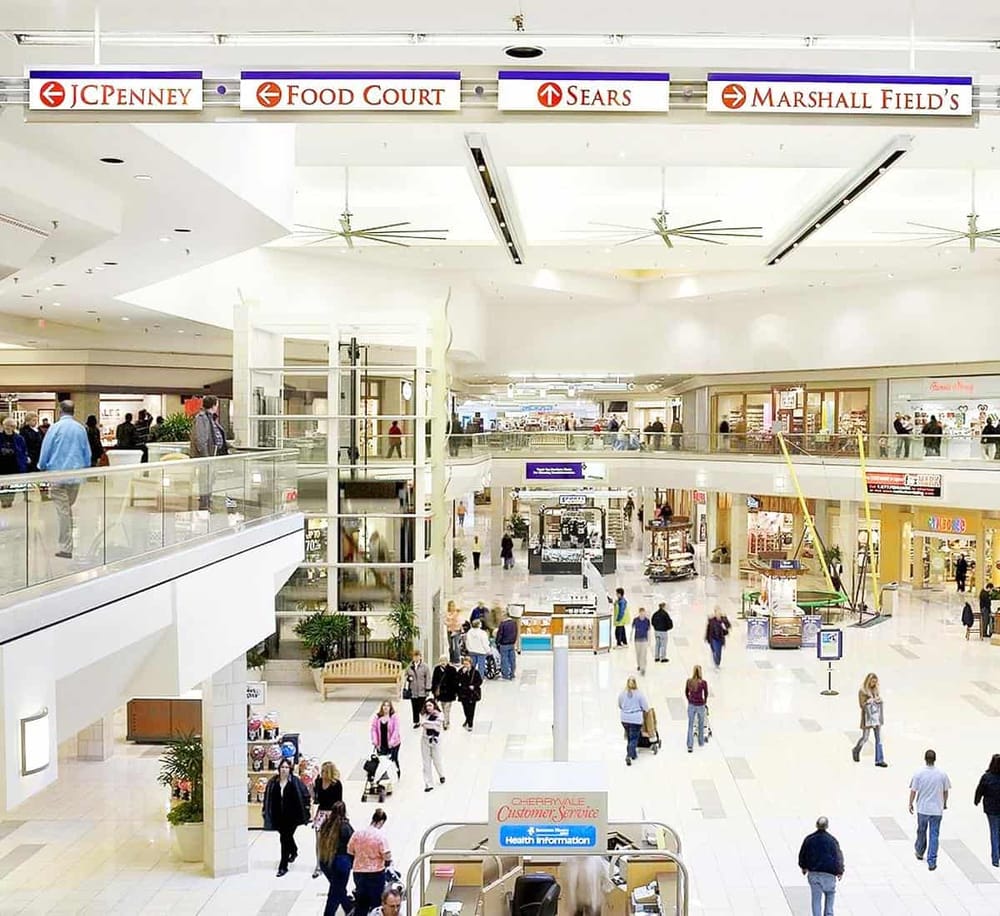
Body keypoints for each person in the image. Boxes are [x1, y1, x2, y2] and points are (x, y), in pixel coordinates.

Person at [38, 400, 91, 559]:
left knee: (63, 512)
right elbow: (86, 452)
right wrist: (85, 469)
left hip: (58, 475)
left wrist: (41, 466)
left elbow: (46, 449)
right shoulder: (80, 428)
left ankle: (66, 547)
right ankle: (67, 544)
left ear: (60, 410)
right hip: (75, 476)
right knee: (67, 509)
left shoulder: (55, 428)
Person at [262, 757, 312, 877]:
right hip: (278, 816)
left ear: (290, 769)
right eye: (282, 767)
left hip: (292, 817)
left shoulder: (295, 781)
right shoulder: (273, 783)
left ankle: (283, 866)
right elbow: (267, 798)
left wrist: (305, 809)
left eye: (286, 767)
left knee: (284, 839)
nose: (284, 770)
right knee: (286, 837)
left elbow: (305, 795)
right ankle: (294, 850)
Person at [909, 748, 951, 871]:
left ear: (925, 759)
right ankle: (932, 860)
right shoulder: (942, 774)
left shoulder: (919, 773)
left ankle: (920, 851)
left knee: (921, 831)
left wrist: (910, 803)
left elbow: (913, 790)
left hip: (922, 808)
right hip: (936, 809)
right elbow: (945, 791)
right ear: (935, 759)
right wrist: (944, 803)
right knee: (934, 835)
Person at [347, 808, 391, 916]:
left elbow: (349, 850)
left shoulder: (358, 833)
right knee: (377, 904)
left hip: (359, 872)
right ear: (381, 822)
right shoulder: (380, 836)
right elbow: (387, 855)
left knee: (361, 903)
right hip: (376, 873)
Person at [797, 816, 845, 916]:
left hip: (814, 875)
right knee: (830, 894)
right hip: (829, 876)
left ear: (816, 825)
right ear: (827, 826)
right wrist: (840, 871)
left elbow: (803, 854)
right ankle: (829, 913)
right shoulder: (832, 841)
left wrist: (804, 867)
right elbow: (838, 856)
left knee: (816, 900)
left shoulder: (809, 839)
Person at [190, 395, 228, 510]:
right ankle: (204, 506)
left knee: (210, 481)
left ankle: (207, 504)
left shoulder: (211, 418)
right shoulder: (202, 418)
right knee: (205, 482)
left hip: (213, 455)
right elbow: (200, 439)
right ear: (213, 405)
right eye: (216, 404)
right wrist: (206, 457)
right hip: (206, 457)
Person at [317, 800, 354, 915]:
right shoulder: (346, 827)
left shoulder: (326, 824)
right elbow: (354, 844)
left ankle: (348, 907)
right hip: (341, 863)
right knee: (335, 892)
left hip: (325, 861)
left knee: (337, 888)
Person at [311, 761, 343, 878]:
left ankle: (330, 862)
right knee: (319, 840)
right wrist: (311, 790)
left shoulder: (336, 784)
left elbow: (339, 801)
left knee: (331, 840)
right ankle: (318, 864)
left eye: (324, 771)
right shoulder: (318, 782)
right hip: (321, 812)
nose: (322, 773)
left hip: (332, 814)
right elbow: (317, 799)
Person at [851, 672, 887, 767]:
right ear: (868, 681)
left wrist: (878, 700)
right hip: (867, 718)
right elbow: (861, 705)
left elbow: (878, 700)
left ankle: (879, 760)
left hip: (876, 717)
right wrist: (868, 701)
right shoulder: (862, 691)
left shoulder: (875, 690)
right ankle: (856, 749)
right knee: (865, 738)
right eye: (872, 682)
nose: (873, 684)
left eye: (875, 682)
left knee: (879, 739)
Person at [974, 753, 1000, 868]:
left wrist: (977, 800)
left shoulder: (987, 777)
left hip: (991, 809)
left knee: (994, 832)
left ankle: (995, 859)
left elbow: (980, 790)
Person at [618, 676, 649, 766]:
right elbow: (646, 708)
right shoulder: (639, 694)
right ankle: (629, 755)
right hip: (636, 719)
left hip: (624, 719)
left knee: (629, 736)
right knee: (634, 738)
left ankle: (633, 754)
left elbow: (619, 705)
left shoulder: (622, 694)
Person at [419, 697, 446, 792]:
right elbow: (423, 724)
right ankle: (428, 783)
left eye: (430, 705)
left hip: (436, 741)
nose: (428, 707)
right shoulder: (423, 715)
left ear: (434, 705)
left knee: (437, 760)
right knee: (426, 762)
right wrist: (432, 724)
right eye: (427, 706)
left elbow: (437, 726)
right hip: (425, 740)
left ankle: (441, 775)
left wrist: (430, 724)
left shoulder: (440, 714)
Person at [370, 700, 402, 778]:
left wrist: (392, 742)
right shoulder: (377, 717)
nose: (386, 707)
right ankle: (384, 776)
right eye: (384, 705)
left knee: (393, 759)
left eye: (388, 706)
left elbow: (396, 730)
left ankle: (396, 772)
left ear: (390, 707)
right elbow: (373, 729)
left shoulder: (394, 717)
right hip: (381, 743)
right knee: (382, 760)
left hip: (393, 744)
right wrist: (375, 741)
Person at [404, 650, 431, 728]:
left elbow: (428, 678)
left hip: (422, 690)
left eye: (417, 656)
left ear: (420, 657)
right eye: (414, 656)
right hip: (413, 690)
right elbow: (406, 675)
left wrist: (428, 688)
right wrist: (408, 679)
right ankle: (416, 722)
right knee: (414, 706)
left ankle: (424, 720)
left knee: (421, 706)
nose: (416, 658)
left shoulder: (425, 666)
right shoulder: (409, 667)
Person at [685, 665, 709, 753]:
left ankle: (690, 745)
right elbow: (706, 693)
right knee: (701, 723)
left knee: (690, 725)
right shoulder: (703, 683)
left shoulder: (689, 681)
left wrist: (689, 699)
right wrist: (704, 701)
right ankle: (701, 741)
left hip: (691, 704)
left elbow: (686, 692)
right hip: (700, 705)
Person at [456, 655, 483, 730]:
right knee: (465, 708)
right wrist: (462, 674)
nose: (466, 666)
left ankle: (470, 723)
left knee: (471, 709)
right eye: (464, 664)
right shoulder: (461, 671)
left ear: (470, 664)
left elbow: (480, 681)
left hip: (472, 693)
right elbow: (457, 680)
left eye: (467, 664)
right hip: (463, 693)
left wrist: (474, 686)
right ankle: (467, 719)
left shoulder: (475, 672)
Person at [431, 654, 458, 728]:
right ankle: (446, 720)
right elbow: (434, 681)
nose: (443, 662)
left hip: (449, 693)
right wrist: (434, 691)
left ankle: (445, 723)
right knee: (443, 708)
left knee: (447, 709)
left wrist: (456, 692)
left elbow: (455, 682)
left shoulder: (452, 669)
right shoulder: (437, 669)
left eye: (444, 661)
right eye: (441, 661)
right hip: (441, 693)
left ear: (447, 661)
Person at [496, 609, 519, 680]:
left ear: (504, 616)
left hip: (504, 644)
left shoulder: (503, 624)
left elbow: (500, 634)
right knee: (512, 659)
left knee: (504, 660)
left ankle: (505, 675)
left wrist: (497, 642)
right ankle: (512, 674)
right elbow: (516, 632)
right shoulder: (514, 623)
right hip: (512, 644)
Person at [631, 606, 651, 675]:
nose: (642, 614)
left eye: (643, 613)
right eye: (641, 613)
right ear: (639, 613)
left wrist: (649, 641)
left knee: (644, 655)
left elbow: (648, 631)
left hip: (644, 640)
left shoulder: (647, 621)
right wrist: (630, 638)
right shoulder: (635, 620)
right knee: (638, 654)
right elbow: (632, 630)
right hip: (637, 640)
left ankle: (643, 668)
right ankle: (639, 665)